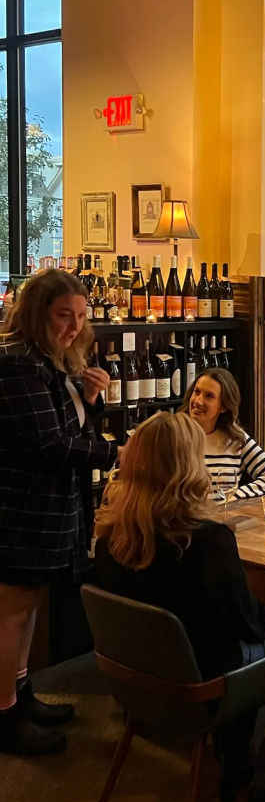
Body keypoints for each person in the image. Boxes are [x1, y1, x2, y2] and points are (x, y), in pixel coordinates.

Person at [93, 412, 265, 802]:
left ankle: (237, 752)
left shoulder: (108, 538)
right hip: (198, 688)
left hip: (136, 680)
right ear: (189, 465)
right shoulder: (208, 541)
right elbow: (251, 626)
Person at [0, 269, 118, 756]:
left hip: (51, 508)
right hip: (21, 509)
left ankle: (21, 695)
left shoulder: (55, 363)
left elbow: (75, 434)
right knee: (11, 612)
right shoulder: (16, 364)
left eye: (81, 317)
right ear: (38, 314)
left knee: (28, 609)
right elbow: (48, 445)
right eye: (63, 316)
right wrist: (116, 455)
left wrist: (90, 399)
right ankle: (4, 715)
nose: (73, 327)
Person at [180, 366, 265, 500]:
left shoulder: (236, 439)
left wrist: (234, 496)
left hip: (225, 518)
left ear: (224, 406)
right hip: (185, 519)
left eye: (209, 396)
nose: (198, 401)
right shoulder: (174, 435)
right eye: (196, 392)